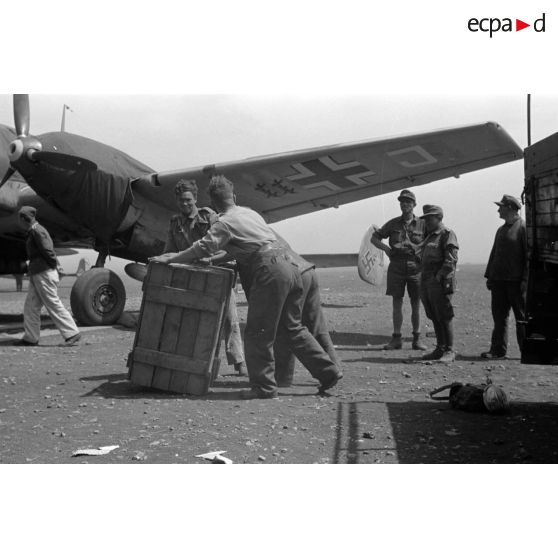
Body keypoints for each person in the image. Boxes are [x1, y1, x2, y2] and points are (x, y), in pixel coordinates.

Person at [152, 175, 342, 399]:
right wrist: (213, 260)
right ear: (234, 196)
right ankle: (328, 371)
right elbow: (244, 246)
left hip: (268, 270)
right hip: (290, 265)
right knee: (292, 328)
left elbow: (201, 248)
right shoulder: (250, 213)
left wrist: (171, 259)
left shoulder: (223, 223)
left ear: (212, 203)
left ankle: (264, 388)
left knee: (257, 333)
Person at [164, 178, 247, 375]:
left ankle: (239, 362)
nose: (185, 204)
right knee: (194, 320)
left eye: (188, 200)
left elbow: (228, 248)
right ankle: (201, 363)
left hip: (218, 273)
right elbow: (169, 250)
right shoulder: (175, 223)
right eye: (181, 200)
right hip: (191, 277)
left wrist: (209, 261)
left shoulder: (209, 217)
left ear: (195, 199)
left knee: (229, 318)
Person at [15, 206, 81, 346]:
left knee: (52, 303)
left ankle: (72, 333)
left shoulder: (37, 231)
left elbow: (48, 251)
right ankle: (31, 338)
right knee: (31, 306)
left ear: (23, 218)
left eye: (20, 218)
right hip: (37, 273)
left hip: (43, 273)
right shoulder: (34, 230)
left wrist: (53, 266)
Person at [371, 189, 427, 350]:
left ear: (414, 205)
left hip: (416, 267)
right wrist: (386, 250)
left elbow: (432, 239)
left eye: (408, 202)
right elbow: (374, 237)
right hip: (396, 267)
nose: (404, 204)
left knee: (416, 303)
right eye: (402, 201)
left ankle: (417, 339)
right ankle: (396, 338)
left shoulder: (423, 224)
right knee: (397, 302)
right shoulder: (393, 223)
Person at [481, 195, 527, 359]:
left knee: (521, 318)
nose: (498, 209)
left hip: (516, 283)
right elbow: (494, 254)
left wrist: (525, 280)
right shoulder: (501, 230)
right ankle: (497, 350)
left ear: (510, 208)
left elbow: (528, 256)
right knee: (499, 318)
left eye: (501, 206)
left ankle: (526, 351)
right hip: (499, 282)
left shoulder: (522, 228)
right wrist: (490, 277)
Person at [417, 205, 459, 363]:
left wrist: (438, 277)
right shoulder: (429, 236)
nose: (426, 221)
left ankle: (449, 350)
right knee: (433, 314)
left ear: (439, 218)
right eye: (425, 218)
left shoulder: (446, 234)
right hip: (427, 280)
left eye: (430, 218)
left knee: (444, 315)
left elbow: (451, 260)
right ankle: (440, 348)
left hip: (439, 281)